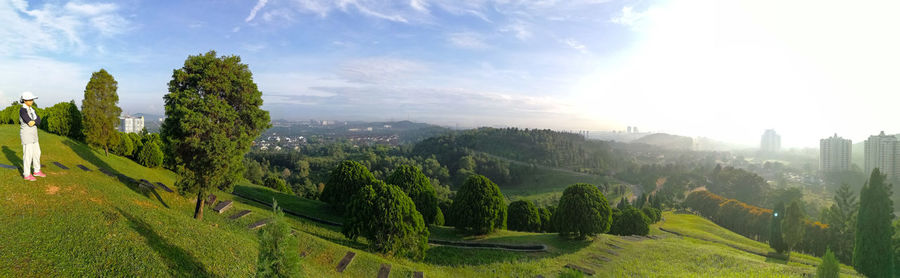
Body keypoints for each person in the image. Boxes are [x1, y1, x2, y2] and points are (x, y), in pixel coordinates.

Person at [19, 91, 45, 181]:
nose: (32, 101)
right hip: (27, 135)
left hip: (34, 135)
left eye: (32, 99)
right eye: (30, 99)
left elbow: (39, 120)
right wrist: (35, 121)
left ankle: (37, 171)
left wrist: (35, 121)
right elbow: (30, 123)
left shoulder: (32, 109)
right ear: (25, 100)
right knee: (28, 155)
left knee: (37, 153)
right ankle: (26, 174)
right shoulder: (22, 110)